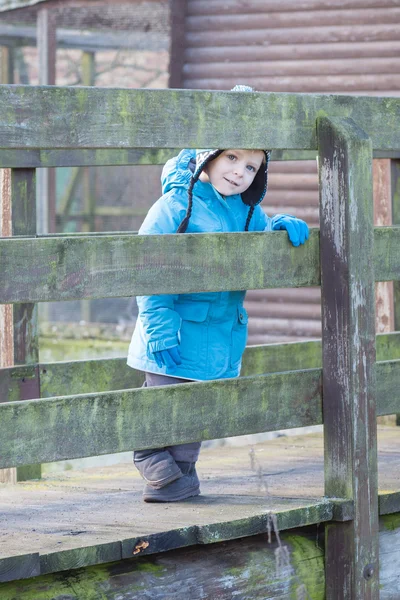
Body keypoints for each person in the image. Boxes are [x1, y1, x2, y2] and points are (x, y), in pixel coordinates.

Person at [127, 88, 309, 503]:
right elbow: (145, 264)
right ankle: (162, 475)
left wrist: (276, 227)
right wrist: (158, 325)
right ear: (209, 154)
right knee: (159, 418)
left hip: (217, 336)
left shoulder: (246, 210)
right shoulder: (176, 205)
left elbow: (258, 234)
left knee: (194, 418)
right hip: (173, 332)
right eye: (231, 157)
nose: (239, 172)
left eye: (250, 166)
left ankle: (180, 483)